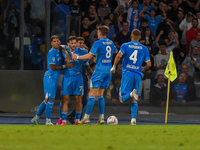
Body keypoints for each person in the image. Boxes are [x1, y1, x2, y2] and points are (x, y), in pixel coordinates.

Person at [72, 25, 117, 124]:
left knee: (92, 94)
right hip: (108, 71)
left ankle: (86, 117)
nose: (97, 33)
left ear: (100, 33)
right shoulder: (111, 42)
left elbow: (89, 55)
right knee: (101, 94)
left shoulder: (97, 43)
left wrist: (78, 57)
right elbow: (115, 50)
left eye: (97, 32)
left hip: (99, 70)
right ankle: (101, 118)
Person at [110, 29, 151, 125]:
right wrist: (144, 68)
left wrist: (114, 67)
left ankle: (130, 94)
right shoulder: (144, 48)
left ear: (131, 37)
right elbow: (149, 63)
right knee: (134, 99)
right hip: (137, 75)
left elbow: (118, 56)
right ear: (140, 37)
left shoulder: (125, 45)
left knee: (122, 98)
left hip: (128, 73)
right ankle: (133, 119)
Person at [31, 35, 74, 125]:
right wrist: (65, 66)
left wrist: (65, 50)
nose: (56, 43)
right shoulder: (51, 52)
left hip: (54, 78)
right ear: (51, 43)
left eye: (58, 41)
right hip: (50, 77)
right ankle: (48, 121)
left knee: (47, 99)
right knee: (51, 99)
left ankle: (36, 118)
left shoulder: (60, 50)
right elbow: (53, 67)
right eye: (54, 41)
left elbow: (67, 46)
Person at [56, 36, 88, 125]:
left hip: (78, 77)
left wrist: (79, 57)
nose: (74, 45)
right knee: (65, 99)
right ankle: (63, 120)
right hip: (67, 77)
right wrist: (66, 52)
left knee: (78, 99)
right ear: (68, 44)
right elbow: (58, 45)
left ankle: (77, 120)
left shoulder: (81, 51)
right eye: (72, 43)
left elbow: (88, 56)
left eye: (75, 43)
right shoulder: (64, 50)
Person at [66, 37, 91, 124]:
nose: (81, 45)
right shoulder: (72, 52)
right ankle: (73, 117)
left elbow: (88, 64)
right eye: (79, 43)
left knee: (83, 99)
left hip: (82, 77)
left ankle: (76, 117)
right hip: (74, 76)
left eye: (82, 43)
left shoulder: (82, 53)